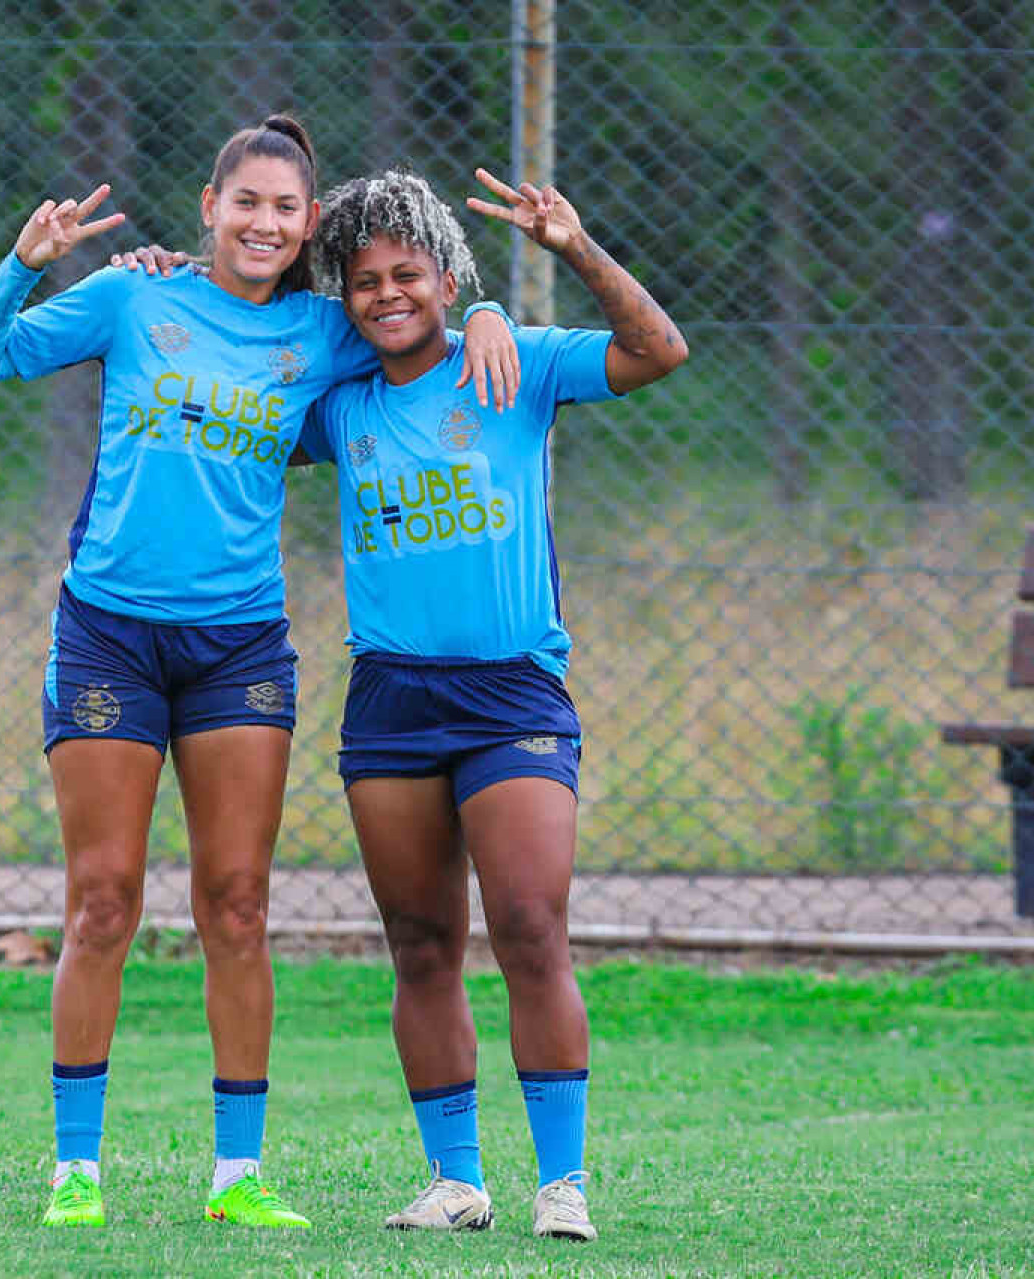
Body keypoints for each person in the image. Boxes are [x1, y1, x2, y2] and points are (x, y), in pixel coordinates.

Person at [0, 116, 519, 1231]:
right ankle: (75, 1174)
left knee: (238, 907)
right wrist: (28, 261)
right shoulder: (130, 298)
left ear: (308, 226)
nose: (265, 223)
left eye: (286, 209)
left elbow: (422, 324)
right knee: (103, 903)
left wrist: (488, 303)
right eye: (244, 202)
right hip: (110, 633)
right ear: (208, 208)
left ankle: (237, 1177)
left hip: (239, 648)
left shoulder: (321, 330)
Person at [293, 167, 688, 1240]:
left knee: (527, 925)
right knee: (421, 941)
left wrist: (570, 249)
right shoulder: (337, 405)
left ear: (447, 272)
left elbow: (659, 351)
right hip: (389, 699)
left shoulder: (513, 363)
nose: (386, 294)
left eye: (408, 273)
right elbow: (242, 356)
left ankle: (563, 1183)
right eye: (363, 279)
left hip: (510, 688)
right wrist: (174, 272)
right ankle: (455, 1177)